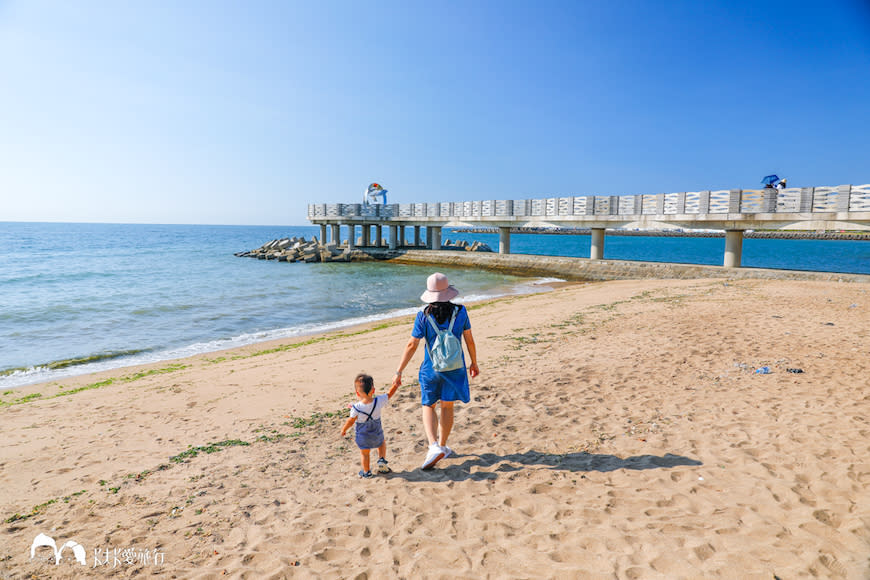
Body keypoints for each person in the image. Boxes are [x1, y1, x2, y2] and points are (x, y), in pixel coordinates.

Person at [392, 273, 480, 470]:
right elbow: (469, 340)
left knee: (428, 405)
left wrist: (399, 371)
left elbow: (412, 345)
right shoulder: (461, 311)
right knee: (447, 407)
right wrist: (474, 363)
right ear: (448, 292)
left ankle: (433, 446)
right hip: (455, 368)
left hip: (430, 369)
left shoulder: (423, 315)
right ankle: (442, 445)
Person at [340, 373, 399, 478]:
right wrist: (395, 385)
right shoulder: (378, 401)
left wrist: (344, 429)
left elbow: (350, 421)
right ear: (373, 390)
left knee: (365, 454)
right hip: (376, 433)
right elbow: (389, 394)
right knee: (381, 444)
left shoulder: (356, 408)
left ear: (357, 393)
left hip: (363, 436)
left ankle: (366, 472)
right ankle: (382, 460)